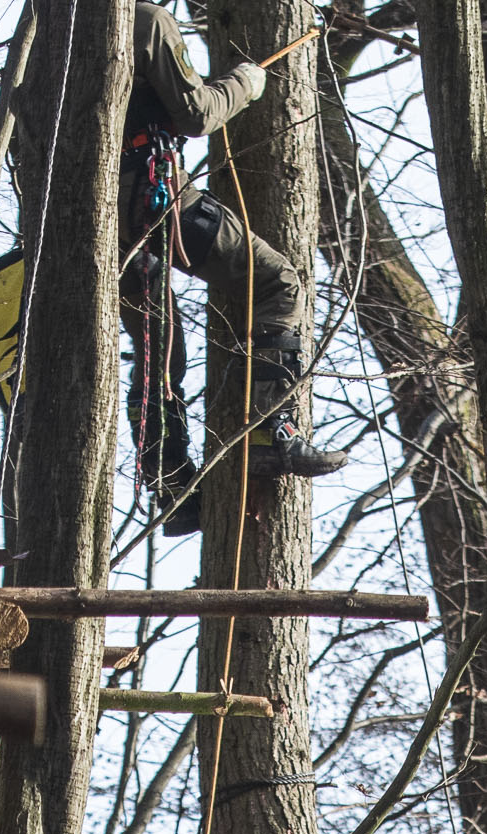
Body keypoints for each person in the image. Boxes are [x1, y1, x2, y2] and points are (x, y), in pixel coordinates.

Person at [112, 3, 345, 531]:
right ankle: (270, 433)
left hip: (90, 224)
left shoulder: (51, 31)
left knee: (156, 347)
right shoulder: (144, 19)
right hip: (153, 199)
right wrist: (245, 82)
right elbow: (196, 113)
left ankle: (171, 490)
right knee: (277, 280)